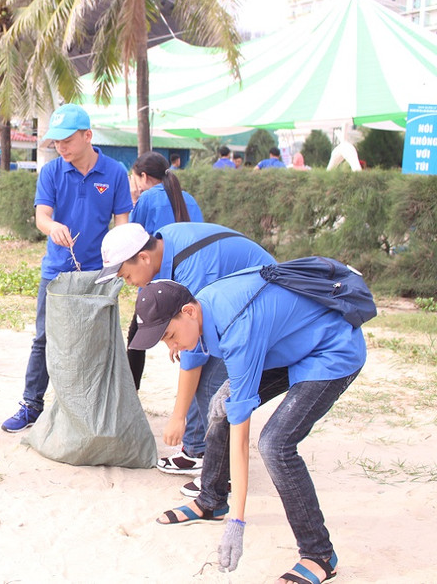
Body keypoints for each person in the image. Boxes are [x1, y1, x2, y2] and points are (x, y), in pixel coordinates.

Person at [133, 278, 365, 582]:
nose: (171, 346)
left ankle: (319, 554)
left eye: (170, 335)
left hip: (332, 348)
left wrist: (237, 523)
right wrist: (234, 389)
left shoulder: (235, 328)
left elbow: (242, 441)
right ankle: (211, 501)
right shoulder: (203, 307)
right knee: (222, 406)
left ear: (188, 312)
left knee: (274, 445)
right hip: (290, 344)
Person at [97, 222, 275, 491]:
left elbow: (194, 358)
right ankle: (195, 451)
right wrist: (177, 334)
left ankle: (221, 473)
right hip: (231, 305)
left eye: (126, 275)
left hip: (260, 307)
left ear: (143, 258)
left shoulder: (192, 268)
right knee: (198, 371)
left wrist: (177, 417)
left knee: (212, 387)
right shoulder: (165, 243)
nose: (128, 283)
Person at [1, 103, 132, 433]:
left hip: (97, 273)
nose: (60, 147)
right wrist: (52, 227)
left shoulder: (115, 172)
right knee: (45, 338)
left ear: (88, 136)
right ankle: (31, 405)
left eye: (66, 140)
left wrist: (116, 266)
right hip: (57, 270)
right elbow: (41, 216)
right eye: (55, 141)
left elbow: (122, 225)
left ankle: (92, 406)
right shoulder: (52, 172)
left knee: (95, 340)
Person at [125, 151, 203, 391]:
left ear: (143, 176)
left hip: (158, 285)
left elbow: (132, 239)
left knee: (136, 338)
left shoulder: (147, 198)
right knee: (195, 343)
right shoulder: (187, 198)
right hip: (192, 281)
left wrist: (133, 200)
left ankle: (131, 394)